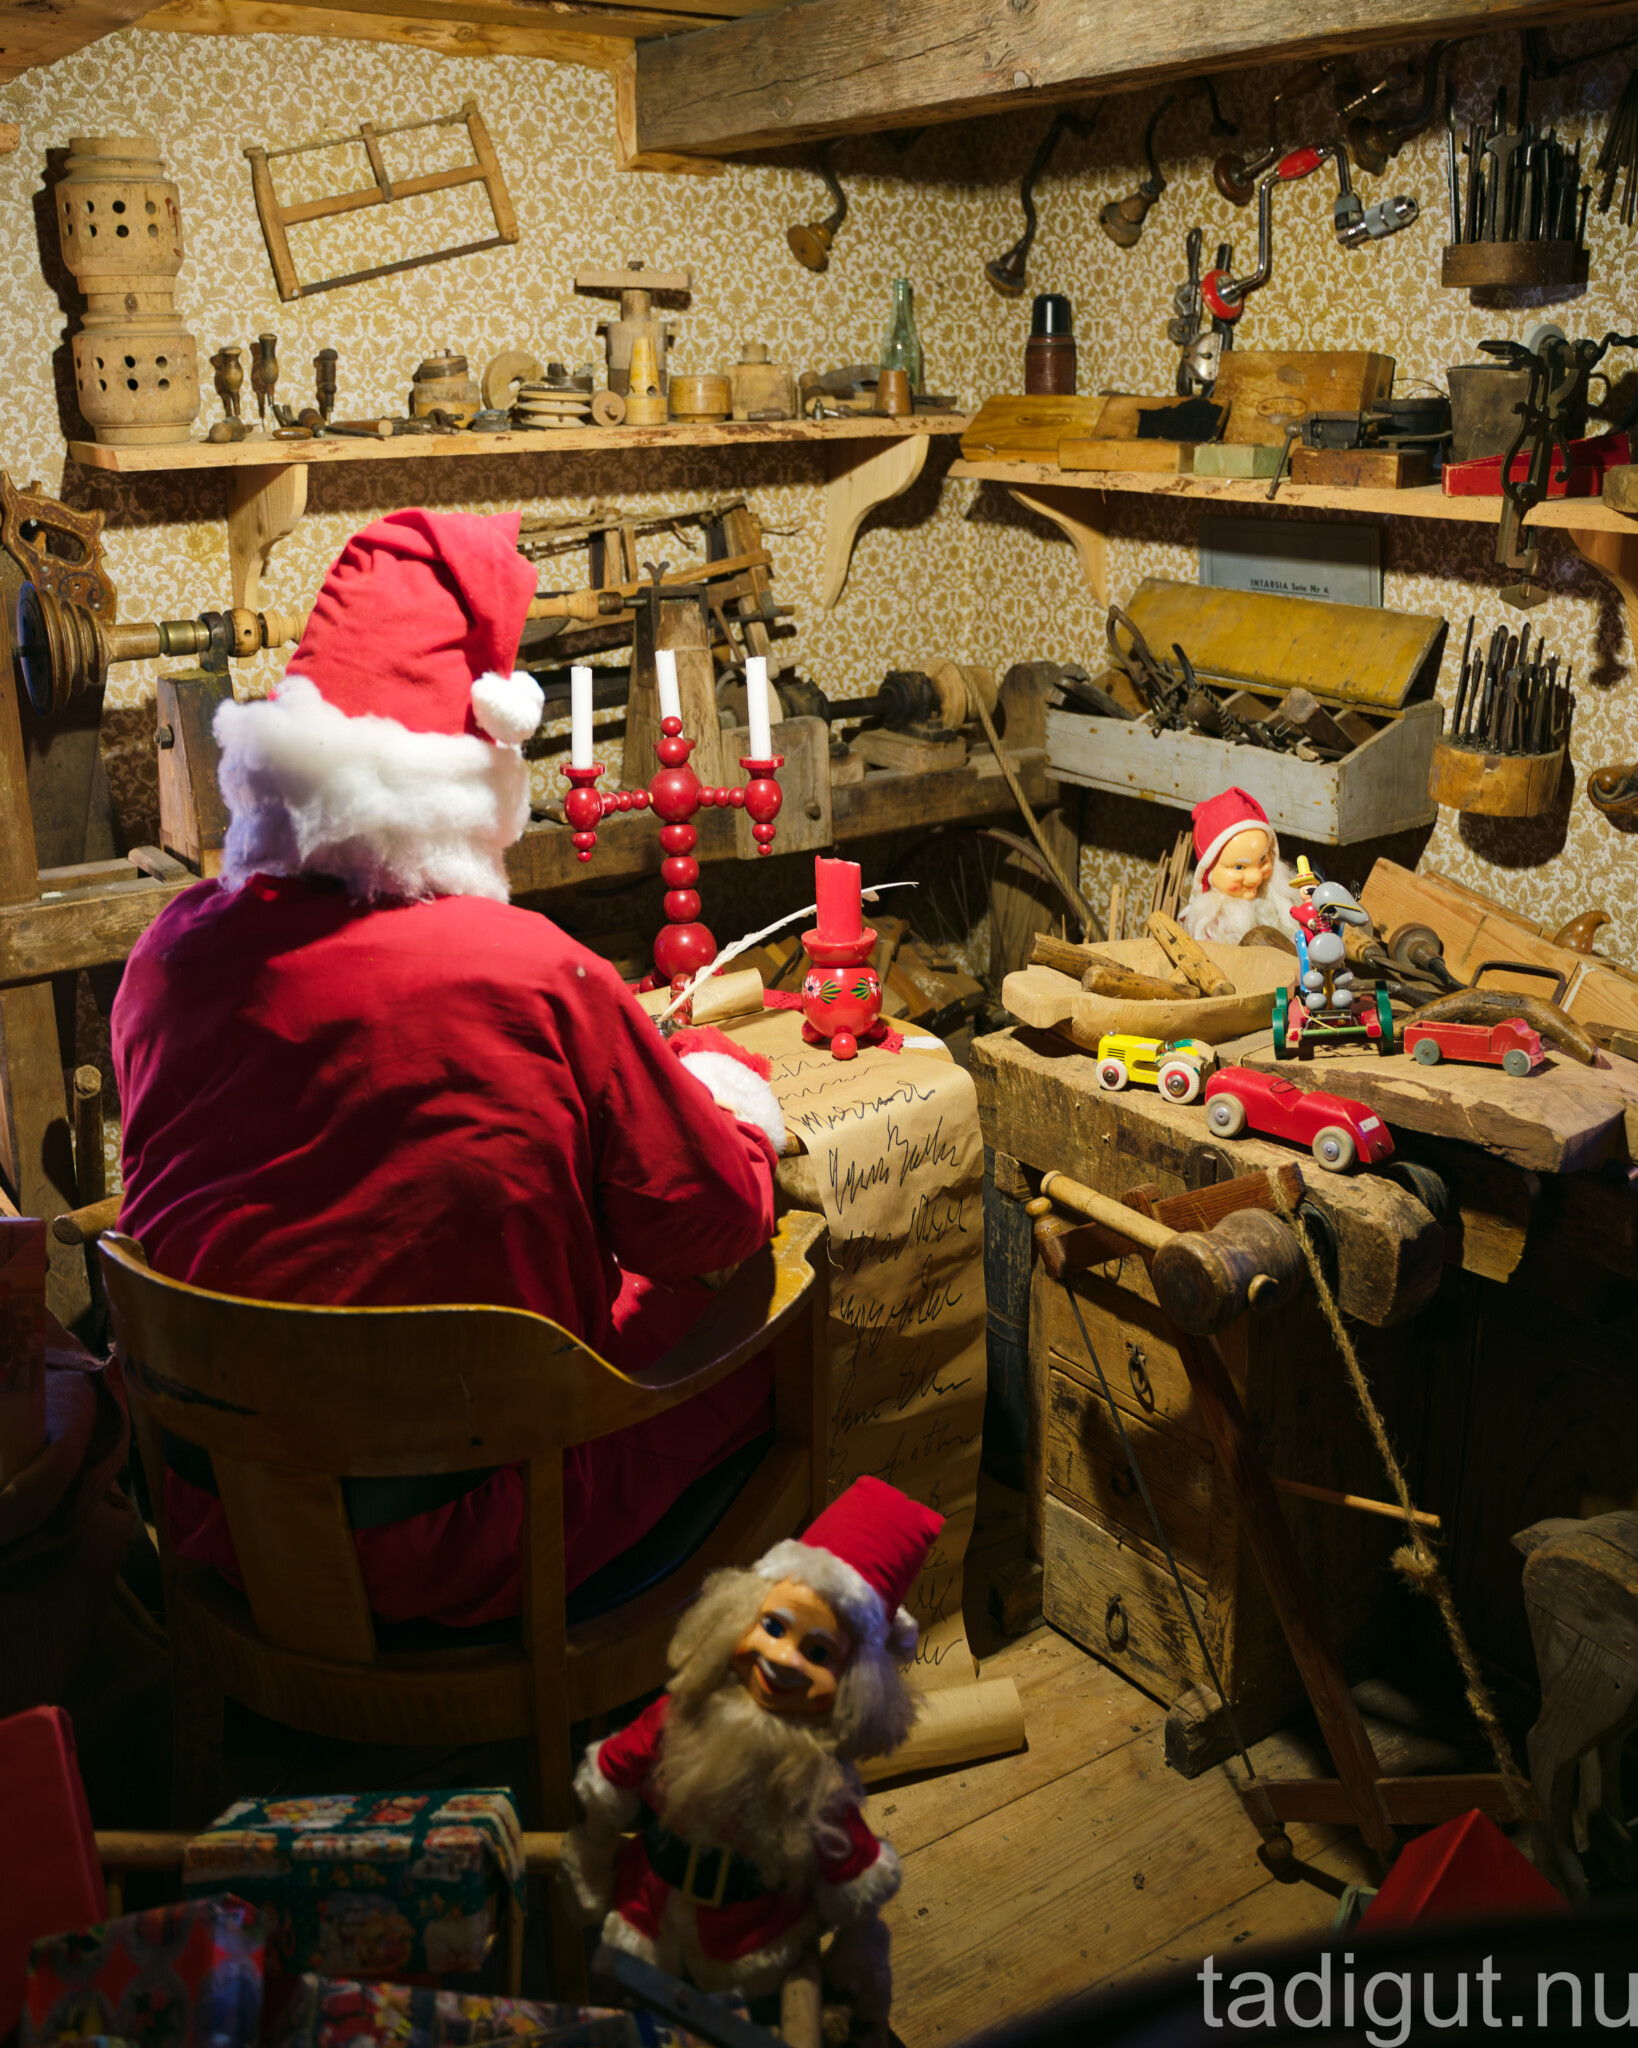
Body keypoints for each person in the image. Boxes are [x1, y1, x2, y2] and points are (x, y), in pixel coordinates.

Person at [112, 508, 788, 1629]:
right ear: (471, 775)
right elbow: (702, 1223)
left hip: (226, 1511)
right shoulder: (536, 973)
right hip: (470, 1538)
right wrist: (726, 1094)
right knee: (777, 1315)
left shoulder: (168, 952)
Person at [563, 1475, 942, 2031]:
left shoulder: (819, 1782)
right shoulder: (677, 1718)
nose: (783, 1659)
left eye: (818, 1652)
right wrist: (592, 1853)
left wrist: (859, 1942)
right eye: (772, 1626)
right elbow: (613, 1773)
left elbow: (852, 1871)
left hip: (754, 1950)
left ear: (854, 1684)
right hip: (648, 1918)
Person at [1177, 786, 1297, 946]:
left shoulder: (1278, 901)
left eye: (1262, 859)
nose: (1256, 876)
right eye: (1239, 867)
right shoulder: (1210, 923)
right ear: (1209, 870)